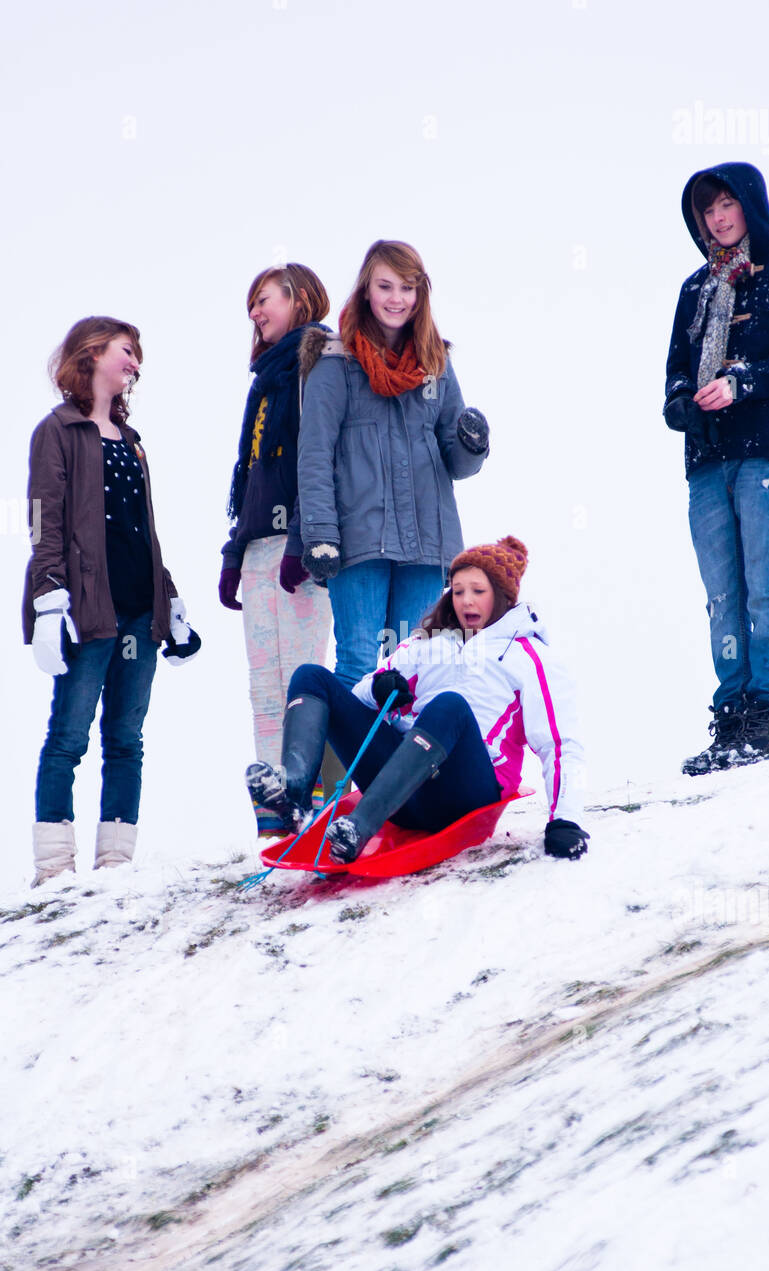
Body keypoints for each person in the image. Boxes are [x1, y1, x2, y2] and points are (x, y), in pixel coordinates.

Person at [245, 536, 589, 865]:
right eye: (458, 591)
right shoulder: (429, 643)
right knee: (311, 677)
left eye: (478, 591)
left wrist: (565, 821)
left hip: (465, 794)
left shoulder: (527, 657)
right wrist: (380, 689)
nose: (466, 600)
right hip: (402, 793)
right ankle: (295, 796)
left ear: (501, 596)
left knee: (449, 706)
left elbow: (559, 744)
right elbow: (360, 697)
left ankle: (357, 828)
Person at [664, 162, 769, 775]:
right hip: (707, 458)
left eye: (727, 203)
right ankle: (730, 716)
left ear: (751, 205)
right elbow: (676, 372)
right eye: (706, 210)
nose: (717, 217)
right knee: (721, 594)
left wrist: (743, 381)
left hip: (768, 448)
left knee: (765, 583)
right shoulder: (695, 289)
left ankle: (766, 713)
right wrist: (683, 401)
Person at [23, 317, 199, 886]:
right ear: (93, 353)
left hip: (138, 611)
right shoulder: (58, 431)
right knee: (69, 737)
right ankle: (54, 870)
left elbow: (143, 529)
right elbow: (44, 522)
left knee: (126, 739)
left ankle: (115, 867)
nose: (135, 363)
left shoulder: (133, 441)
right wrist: (48, 599)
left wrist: (169, 601)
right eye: (128, 351)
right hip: (87, 611)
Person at [296, 239, 489, 688]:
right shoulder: (335, 361)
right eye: (386, 286)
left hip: (425, 543)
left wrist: (471, 445)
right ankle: (353, 761)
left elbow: (455, 462)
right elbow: (315, 455)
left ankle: (402, 761)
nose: (396, 299)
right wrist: (321, 534)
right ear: (366, 289)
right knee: (359, 664)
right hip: (358, 540)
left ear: (420, 294)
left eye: (407, 288)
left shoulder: (434, 362)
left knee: (413, 669)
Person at [220, 263, 338, 834]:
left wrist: (303, 539)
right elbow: (249, 475)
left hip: (300, 547)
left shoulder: (316, 363)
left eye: (263, 299)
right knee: (263, 683)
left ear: (298, 297)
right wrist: (232, 554)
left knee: (304, 679)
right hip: (258, 548)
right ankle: (276, 817)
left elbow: (317, 461)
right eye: (251, 305)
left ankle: (320, 803)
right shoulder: (263, 379)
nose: (255, 313)